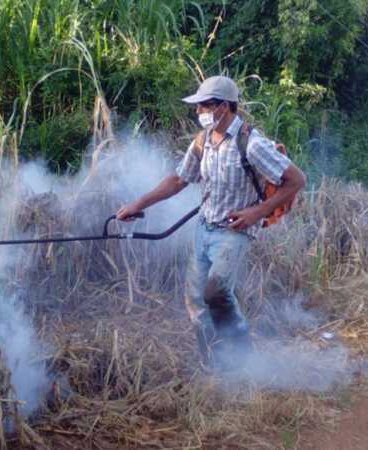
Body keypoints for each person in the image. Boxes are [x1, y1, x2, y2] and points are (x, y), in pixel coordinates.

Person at [116, 75, 306, 364]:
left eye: (206, 105)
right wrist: (138, 204)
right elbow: (179, 180)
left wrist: (257, 212)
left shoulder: (252, 144)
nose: (199, 112)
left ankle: (241, 357)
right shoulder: (203, 141)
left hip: (234, 232)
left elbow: (295, 180)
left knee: (216, 292)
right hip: (204, 228)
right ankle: (212, 360)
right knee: (195, 300)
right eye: (199, 106)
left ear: (226, 107)